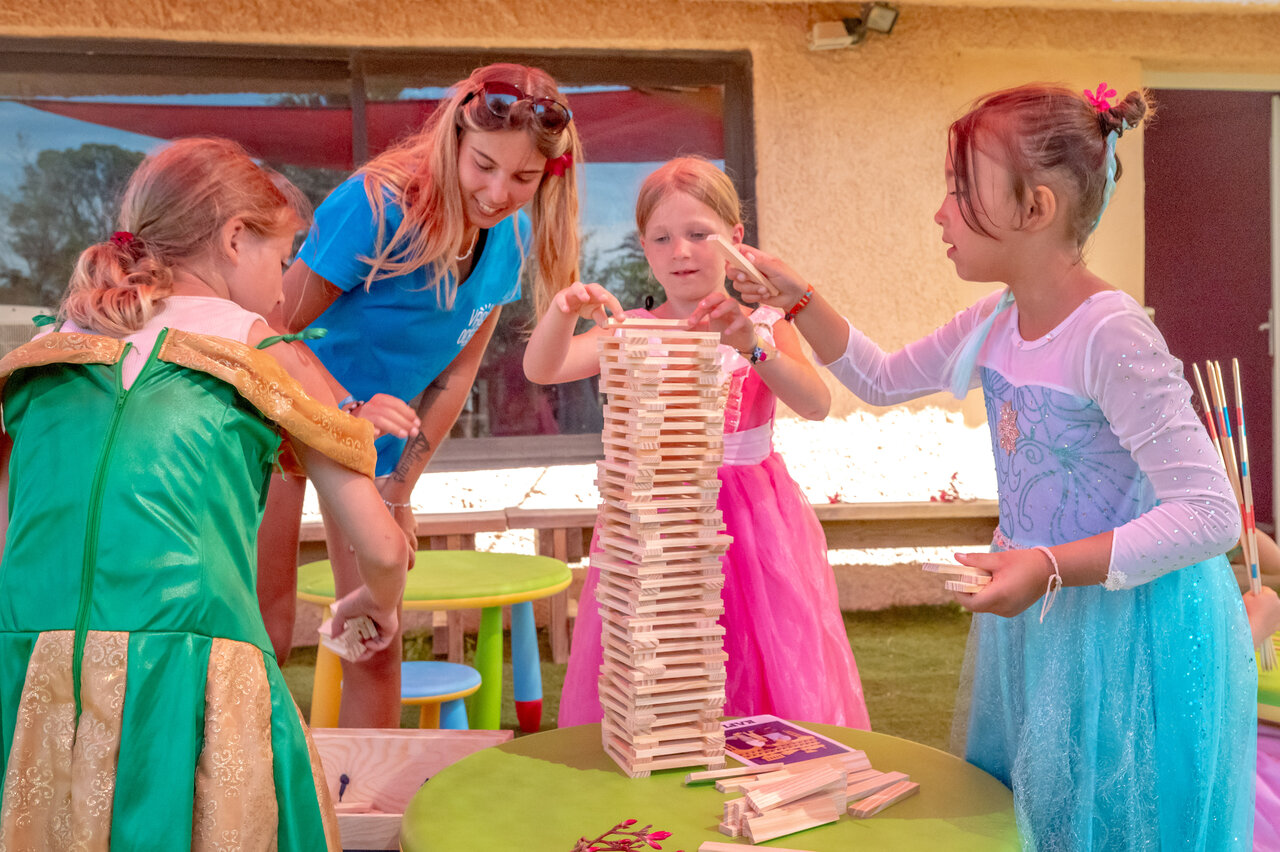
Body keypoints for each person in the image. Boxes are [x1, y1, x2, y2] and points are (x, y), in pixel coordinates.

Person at [722, 84, 1256, 848]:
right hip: (1044, 613)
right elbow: (879, 378)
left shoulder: (1110, 335)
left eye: (960, 189)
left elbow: (1208, 515)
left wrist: (1048, 565)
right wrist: (799, 297)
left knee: (1114, 821)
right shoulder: (997, 319)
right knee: (1033, 814)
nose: (940, 213)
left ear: (1034, 208)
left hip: (1132, 633)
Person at [0, 137, 408, 849]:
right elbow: (380, 546)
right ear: (235, 238)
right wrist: (376, 600)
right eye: (282, 260)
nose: (283, 290)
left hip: (32, 682)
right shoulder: (262, 350)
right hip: (195, 684)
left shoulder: (39, 361)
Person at [256, 62, 584, 726]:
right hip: (279, 419)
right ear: (454, 139)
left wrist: (397, 489)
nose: (497, 193)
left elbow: (453, 377)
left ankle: (364, 791)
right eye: (484, 165)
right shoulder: (376, 205)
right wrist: (345, 410)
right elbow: (269, 332)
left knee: (374, 640)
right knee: (270, 627)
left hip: (366, 445)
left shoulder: (511, 237)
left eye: (523, 178)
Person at [526, 157, 871, 729]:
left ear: (735, 238)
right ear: (644, 248)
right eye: (661, 238)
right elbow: (545, 368)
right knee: (661, 660)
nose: (680, 251)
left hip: (752, 520)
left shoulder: (764, 323)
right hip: (656, 521)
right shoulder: (632, 329)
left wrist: (750, 343)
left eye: (698, 233)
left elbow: (816, 403)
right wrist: (563, 313)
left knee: (755, 643)